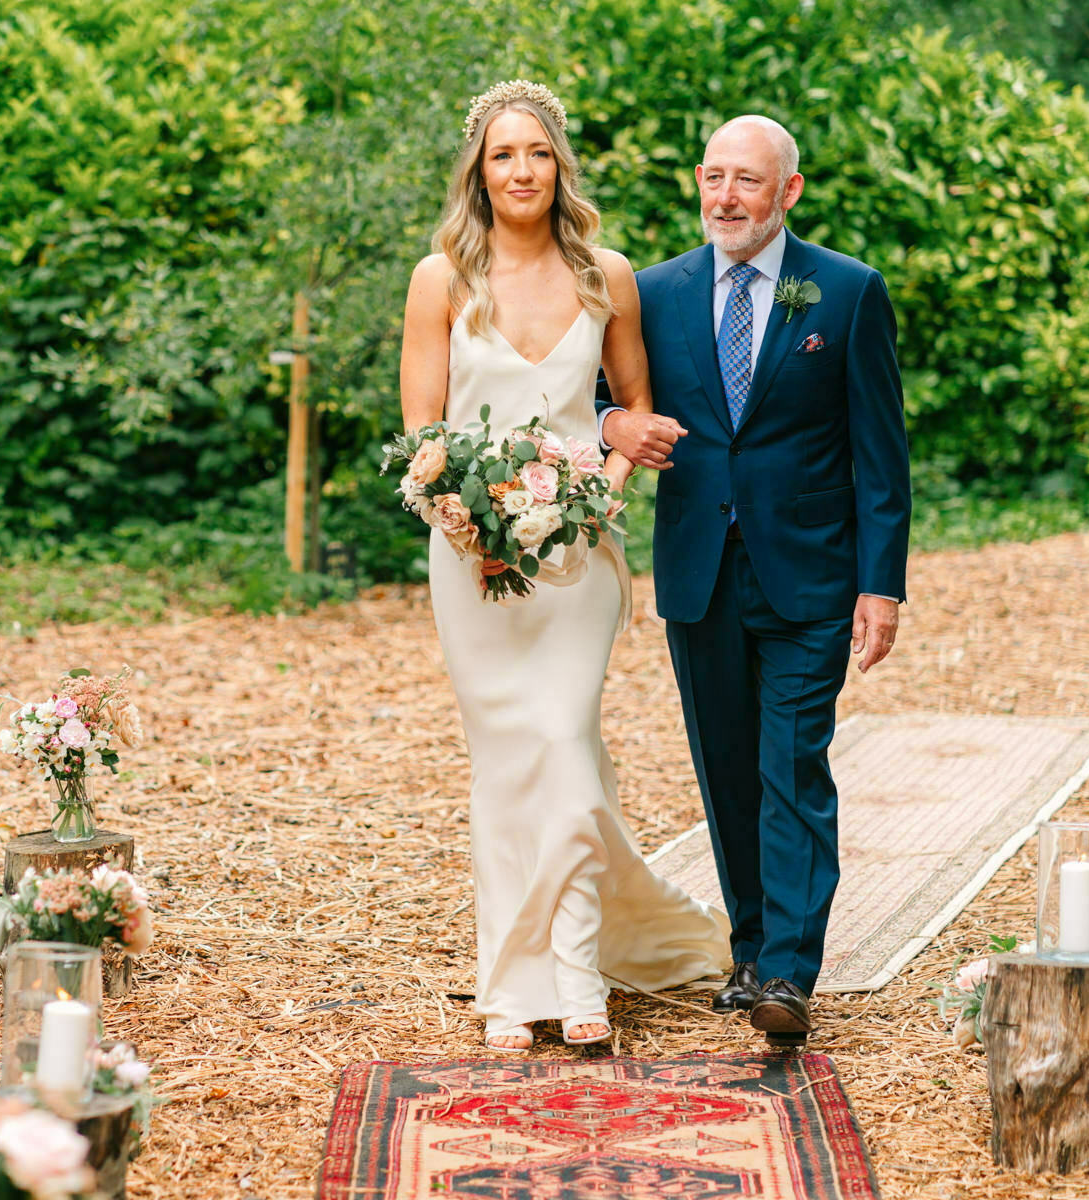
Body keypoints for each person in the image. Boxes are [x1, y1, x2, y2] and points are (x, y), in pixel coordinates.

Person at [400, 79, 730, 1053]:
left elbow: (636, 410)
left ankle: (578, 971)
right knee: (509, 767)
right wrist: (462, 514)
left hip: (579, 561)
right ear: (479, 169)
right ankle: (511, 986)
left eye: (536, 153)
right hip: (474, 561)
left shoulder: (605, 275)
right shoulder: (441, 280)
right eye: (503, 155)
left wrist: (605, 488)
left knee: (564, 748)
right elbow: (424, 433)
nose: (520, 171)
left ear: (559, 166)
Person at [598, 115, 910, 1046]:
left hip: (811, 573)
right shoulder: (651, 293)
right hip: (698, 571)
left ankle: (789, 970)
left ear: (789, 192)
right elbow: (594, 395)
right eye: (713, 176)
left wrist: (881, 583)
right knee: (726, 770)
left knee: (792, 768)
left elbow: (880, 453)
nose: (725, 196)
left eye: (746, 180)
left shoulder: (847, 292)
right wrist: (613, 427)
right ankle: (748, 946)